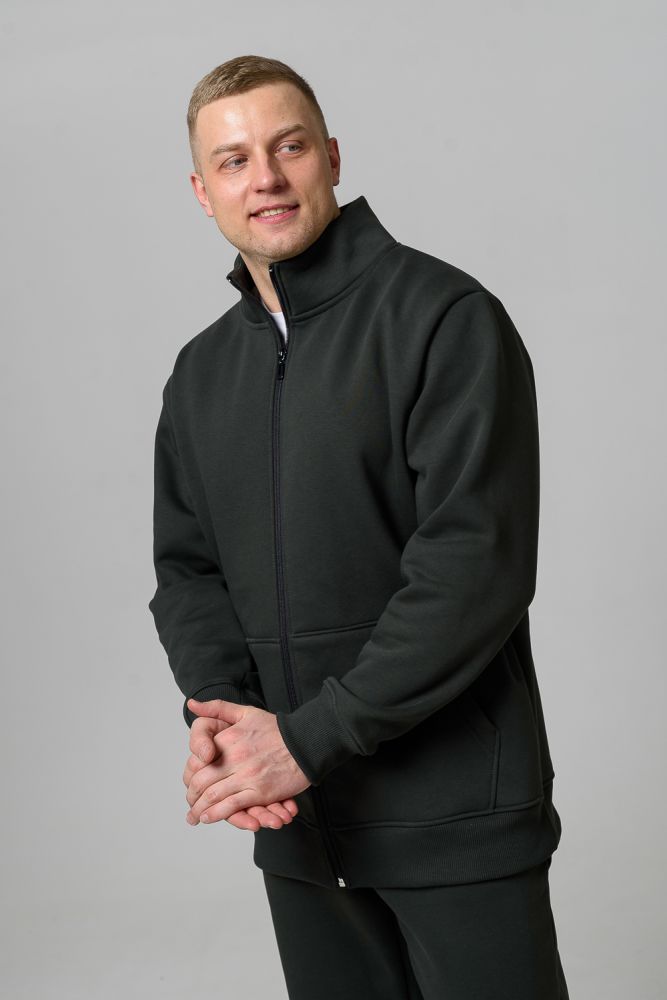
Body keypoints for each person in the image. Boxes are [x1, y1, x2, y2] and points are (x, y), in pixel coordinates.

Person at [148, 53, 570, 999]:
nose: (264, 177)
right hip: (301, 828)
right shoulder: (200, 374)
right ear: (202, 192)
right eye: (233, 160)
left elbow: (473, 569)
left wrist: (309, 739)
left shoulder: (444, 318)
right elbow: (188, 572)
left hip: (454, 820)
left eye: (288, 147)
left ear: (331, 156)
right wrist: (221, 718)